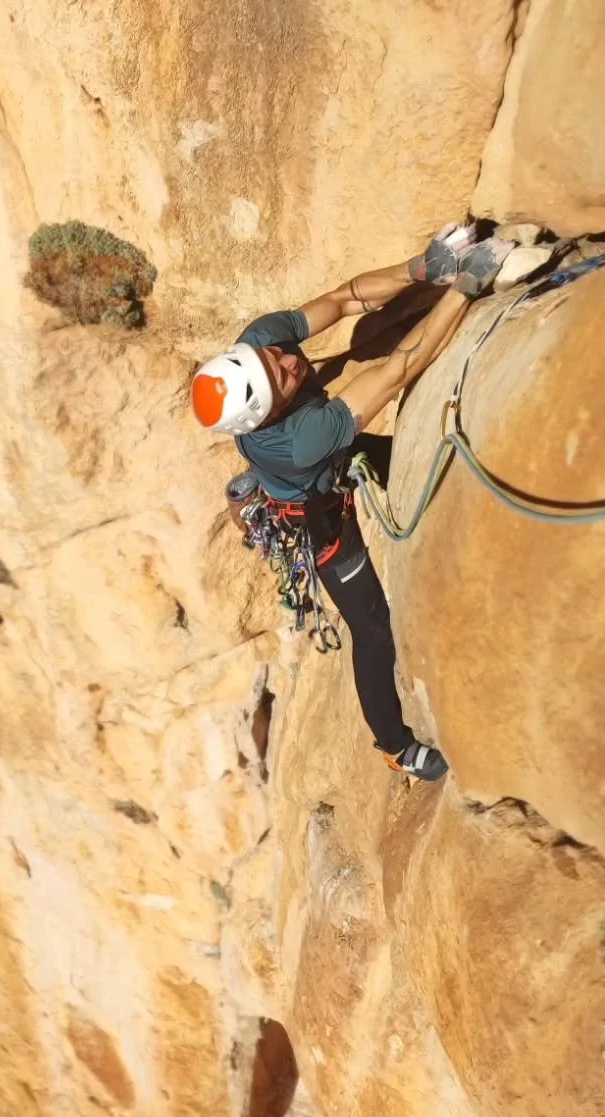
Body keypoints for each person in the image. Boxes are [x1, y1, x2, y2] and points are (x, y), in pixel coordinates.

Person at [191, 226, 513, 782]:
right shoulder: (298, 438)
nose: (291, 363)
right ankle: (394, 745)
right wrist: (465, 287)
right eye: (282, 377)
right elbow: (396, 372)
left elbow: (343, 299)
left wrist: (423, 269)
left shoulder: (259, 344)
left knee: (436, 470)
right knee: (374, 630)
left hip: (332, 456)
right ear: (264, 414)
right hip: (320, 519)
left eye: (278, 359)